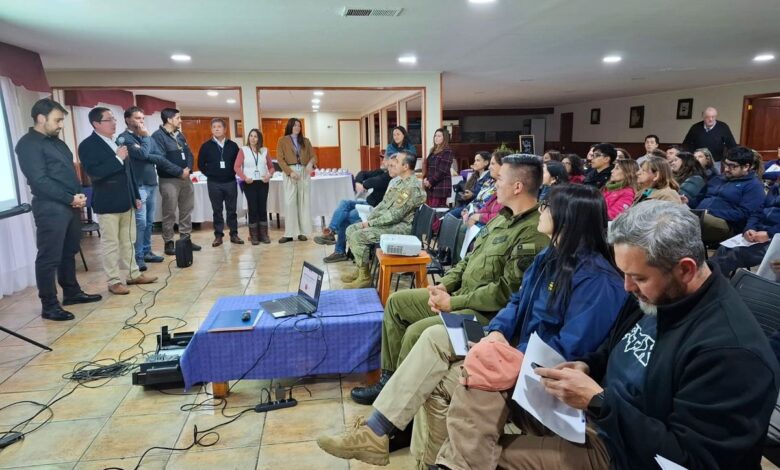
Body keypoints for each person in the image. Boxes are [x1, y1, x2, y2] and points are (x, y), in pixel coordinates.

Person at [438, 201, 779, 470]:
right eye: (624, 273)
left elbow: (689, 459)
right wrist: (587, 366)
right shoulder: (657, 295)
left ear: (685, 269)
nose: (627, 287)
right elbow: (613, 348)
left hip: (625, 451)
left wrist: (599, 402)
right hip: (598, 416)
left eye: (638, 278)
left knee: (479, 455)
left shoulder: (730, 351)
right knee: (482, 377)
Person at [318, 184, 626, 468]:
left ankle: (425, 457)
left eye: (548, 206)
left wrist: (504, 351)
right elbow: (516, 301)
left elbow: (568, 349)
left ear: (568, 217)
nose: (542, 210)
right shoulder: (551, 255)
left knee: (443, 380)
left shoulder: (598, 281)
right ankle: (379, 432)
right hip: (507, 347)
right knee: (434, 336)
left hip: (533, 371)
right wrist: (497, 333)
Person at [349, 154, 550, 405]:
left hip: (486, 314)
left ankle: (400, 403)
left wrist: (452, 303)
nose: (494, 184)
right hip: (461, 295)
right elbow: (469, 260)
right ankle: (388, 381)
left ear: (517, 186)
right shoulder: (502, 218)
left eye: (500, 179)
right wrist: (445, 285)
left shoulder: (533, 233)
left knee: (416, 332)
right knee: (397, 303)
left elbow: (505, 293)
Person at [15, 98, 102, 321]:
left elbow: (67, 173)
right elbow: (39, 180)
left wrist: (78, 195)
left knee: (69, 251)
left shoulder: (57, 142)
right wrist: (70, 198)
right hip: (50, 207)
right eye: (57, 120)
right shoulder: (28, 144)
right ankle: (49, 305)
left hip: (70, 204)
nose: (61, 125)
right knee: (49, 257)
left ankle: (71, 293)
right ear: (41, 118)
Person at [78, 107, 157, 295]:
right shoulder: (88, 145)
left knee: (129, 240)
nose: (114, 123)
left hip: (126, 200)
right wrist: (117, 159)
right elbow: (94, 173)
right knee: (111, 244)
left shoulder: (116, 141)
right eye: (109, 120)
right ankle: (113, 280)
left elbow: (128, 172)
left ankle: (133, 274)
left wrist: (135, 195)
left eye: (114, 119)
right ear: (96, 123)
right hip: (108, 202)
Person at [341, 152, 425, 289]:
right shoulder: (399, 182)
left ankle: (365, 278)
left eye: (397, 162)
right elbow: (384, 204)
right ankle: (361, 270)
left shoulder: (411, 188)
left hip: (401, 228)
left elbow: (394, 216)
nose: (393, 164)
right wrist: (370, 218)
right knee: (351, 229)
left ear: (405, 167)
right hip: (391, 223)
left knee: (358, 236)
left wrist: (370, 223)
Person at [119, 106, 179, 271]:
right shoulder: (124, 138)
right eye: (137, 118)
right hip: (138, 186)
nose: (141, 121)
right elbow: (143, 154)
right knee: (141, 222)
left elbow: (159, 156)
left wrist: (145, 152)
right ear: (128, 120)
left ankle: (147, 252)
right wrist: (145, 143)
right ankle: (138, 257)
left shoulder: (145, 137)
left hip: (151, 183)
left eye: (143, 118)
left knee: (150, 222)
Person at [316, 153, 394, 263]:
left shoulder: (389, 177)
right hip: (367, 202)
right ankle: (331, 231)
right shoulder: (381, 172)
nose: (383, 161)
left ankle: (339, 251)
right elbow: (362, 173)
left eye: (385, 160)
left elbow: (372, 182)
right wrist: (358, 182)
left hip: (373, 208)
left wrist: (364, 184)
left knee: (346, 217)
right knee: (344, 203)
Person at [151, 107, 200, 255]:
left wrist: (188, 170)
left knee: (186, 210)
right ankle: (169, 242)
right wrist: (179, 172)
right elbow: (160, 160)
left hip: (186, 178)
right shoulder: (157, 136)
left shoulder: (180, 135)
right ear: (169, 119)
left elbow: (189, 154)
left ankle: (185, 240)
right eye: (178, 118)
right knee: (169, 212)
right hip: (169, 180)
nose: (180, 120)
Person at [695, 146, 767, 245]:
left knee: (692, 221)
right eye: (725, 164)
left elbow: (744, 214)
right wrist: (686, 201)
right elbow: (699, 198)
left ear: (746, 167)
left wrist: (711, 212)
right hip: (701, 215)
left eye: (732, 166)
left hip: (727, 225)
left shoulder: (753, 186)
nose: (726, 169)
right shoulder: (718, 178)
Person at [712, 178, 780, 276]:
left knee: (733, 254)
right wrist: (749, 228)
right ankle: (711, 280)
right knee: (724, 248)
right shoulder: (775, 188)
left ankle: (711, 282)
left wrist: (769, 234)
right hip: (759, 233)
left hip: (775, 239)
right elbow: (758, 212)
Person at [198, 118, 243, 247]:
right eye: (214, 127)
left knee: (231, 210)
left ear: (225, 129)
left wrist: (232, 173)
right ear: (211, 130)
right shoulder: (206, 146)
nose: (216, 129)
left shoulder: (233, 145)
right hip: (214, 183)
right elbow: (201, 164)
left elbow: (238, 163)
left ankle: (234, 234)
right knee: (217, 210)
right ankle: (218, 236)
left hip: (230, 182)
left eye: (219, 126)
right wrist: (211, 174)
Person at [276, 118, 316, 243]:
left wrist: (310, 164)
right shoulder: (282, 140)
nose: (297, 128)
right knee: (290, 203)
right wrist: (290, 172)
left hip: (304, 173)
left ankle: (302, 232)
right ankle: (289, 233)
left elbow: (313, 156)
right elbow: (280, 159)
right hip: (290, 173)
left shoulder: (306, 141)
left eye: (299, 125)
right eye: (294, 125)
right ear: (290, 127)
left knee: (303, 202)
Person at [234, 128, 274, 244]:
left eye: (255, 136)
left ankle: (264, 235)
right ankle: (254, 236)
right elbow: (236, 167)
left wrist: (269, 175)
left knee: (262, 208)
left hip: (263, 182)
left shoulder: (264, 150)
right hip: (249, 183)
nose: (252, 138)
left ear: (259, 138)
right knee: (253, 209)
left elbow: (271, 167)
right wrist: (244, 177)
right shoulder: (243, 150)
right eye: (251, 136)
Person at [461, 150, 506, 228]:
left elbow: (500, 215)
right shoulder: (489, 181)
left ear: (503, 166)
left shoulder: (506, 188)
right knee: (451, 219)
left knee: (458, 225)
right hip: (475, 212)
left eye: (492, 164)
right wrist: (468, 210)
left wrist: (477, 216)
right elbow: (485, 205)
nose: (489, 167)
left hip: (488, 223)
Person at [449, 151, 491, 217]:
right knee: (446, 215)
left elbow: (484, 197)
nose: (474, 163)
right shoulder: (475, 176)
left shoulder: (488, 178)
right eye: (475, 160)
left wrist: (472, 195)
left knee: (448, 216)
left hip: (475, 209)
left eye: (478, 160)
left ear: (486, 162)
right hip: (466, 205)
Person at [423, 128, 453, 208]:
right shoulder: (433, 150)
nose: (436, 138)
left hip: (440, 186)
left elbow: (443, 170)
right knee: (429, 210)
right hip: (431, 186)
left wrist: (430, 181)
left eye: (439, 136)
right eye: (435, 136)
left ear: (444, 138)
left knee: (435, 211)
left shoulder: (447, 151)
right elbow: (429, 167)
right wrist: (426, 178)